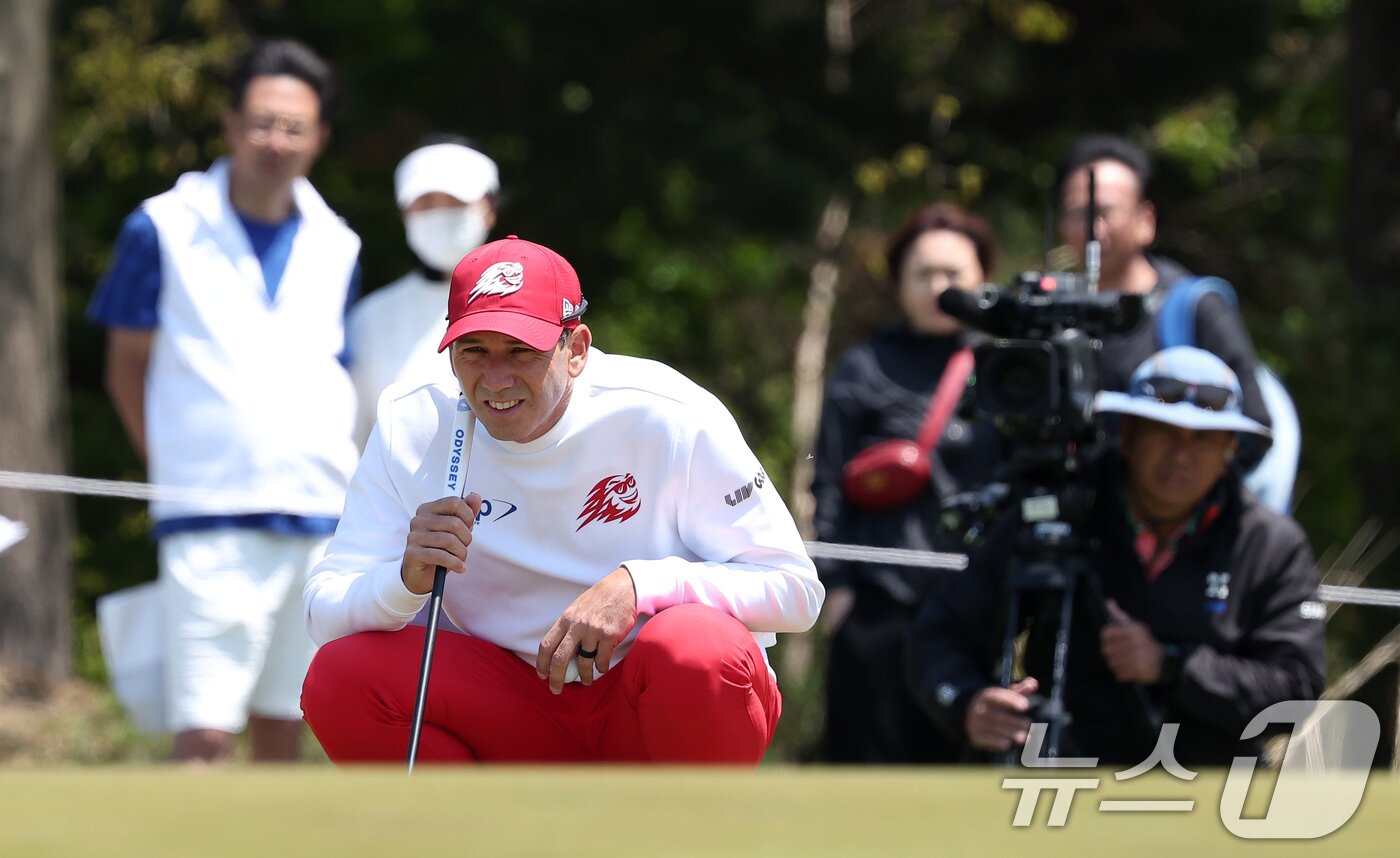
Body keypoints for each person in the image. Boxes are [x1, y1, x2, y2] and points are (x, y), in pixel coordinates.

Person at [301, 235, 823, 764]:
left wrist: (641, 585)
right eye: (473, 351)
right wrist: (403, 580)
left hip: (648, 699)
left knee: (695, 648)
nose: (495, 379)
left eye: (521, 351)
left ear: (576, 351)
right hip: (512, 702)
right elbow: (325, 613)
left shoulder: (669, 412)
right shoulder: (410, 420)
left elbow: (798, 592)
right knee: (342, 677)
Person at [88, 38, 361, 763]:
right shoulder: (163, 225)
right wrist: (175, 466)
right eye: (263, 122)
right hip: (206, 515)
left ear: (319, 138)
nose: (277, 141)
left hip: (319, 514)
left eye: (295, 127)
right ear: (232, 124)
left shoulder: (339, 243)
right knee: (204, 728)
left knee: (286, 723)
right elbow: (125, 366)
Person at [906, 346, 1326, 766]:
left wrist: (1171, 666)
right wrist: (966, 703)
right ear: (1128, 434)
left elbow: (1296, 689)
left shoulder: (1271, 544)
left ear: (1229, 450)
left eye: (1204, 438)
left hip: (1209, 792)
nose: (1181, 454)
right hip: (1058, 781)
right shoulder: (1060, 510)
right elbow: (939, 633)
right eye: (1164, 431)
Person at [810, 202, 1002, 763]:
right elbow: (827, 482)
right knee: (864, 772)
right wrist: (835, 590)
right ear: (898, 283)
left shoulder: (1008, 368)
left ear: (982, 279)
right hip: (876, 605)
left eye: (953, 274)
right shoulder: (865, 367)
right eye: (923, 273)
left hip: (974, 608)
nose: (938, 287)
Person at [1057, 133, 1272, 464]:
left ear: (1146, 221)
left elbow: (1255, 426)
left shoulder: (1195, 309)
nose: (1092, 230)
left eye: (1105, 212)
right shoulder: (1052, 314)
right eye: (1077, 214)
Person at [347, 137, 500, 445]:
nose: (440, 214)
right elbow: (355, 437)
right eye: (426, 204)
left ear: (489, 208)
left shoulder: (529, 300)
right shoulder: (371, 318)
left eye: (455, 201)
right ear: (405, 214)